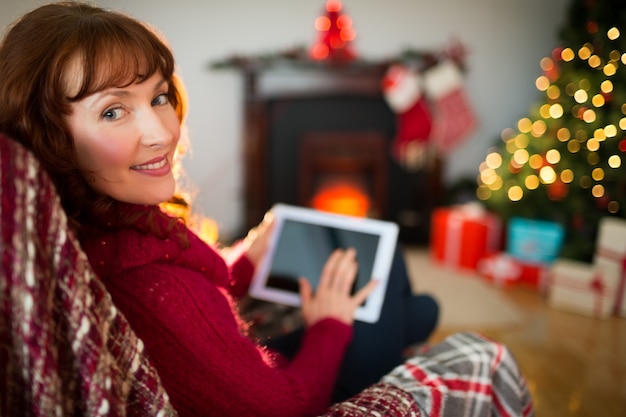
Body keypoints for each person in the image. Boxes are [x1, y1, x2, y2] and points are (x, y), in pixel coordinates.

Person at [0, 2, 438, 416]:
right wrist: (327, 325)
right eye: (113, 111)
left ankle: (408, 322)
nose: (161, 133)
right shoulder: (153, 286)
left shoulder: (101, 230)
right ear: (49, 139)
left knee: (414, 305)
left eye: (158, 97)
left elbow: (193, 296)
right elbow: (280, 407)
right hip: (304, 394)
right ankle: (405, 328)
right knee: (390, 263)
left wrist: (244, 260)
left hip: (241, 372)